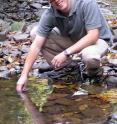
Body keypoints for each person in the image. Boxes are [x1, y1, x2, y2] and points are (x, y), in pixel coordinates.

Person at [16, 0, 113, 92]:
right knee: (35, 33)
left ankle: (95, 75)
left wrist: (65, 53)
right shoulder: (50, 14)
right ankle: (68, 70)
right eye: (52, 0)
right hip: (75, 41)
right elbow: (36, 46)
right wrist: (24, 75)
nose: (56, 1)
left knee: (89, 56)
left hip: (98, 41)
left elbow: (93, 36)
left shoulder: (86, 3)